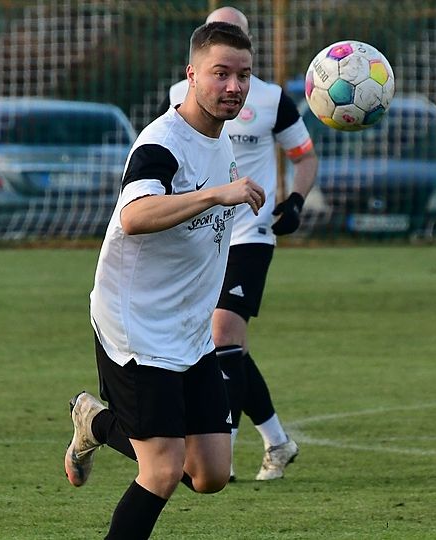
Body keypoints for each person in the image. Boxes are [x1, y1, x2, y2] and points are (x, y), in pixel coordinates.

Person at [65, 22, 265, 539]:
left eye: (243, 75)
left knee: (211, 473)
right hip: (137, 327)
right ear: (191, 75)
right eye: (221, 74)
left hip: (189, 332)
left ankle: (94, 421)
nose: (234, 87)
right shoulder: (161, 144)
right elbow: (134, 216)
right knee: (161, 472)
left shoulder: (218, 140)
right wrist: (215, 195)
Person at [162, 6, 318, 482]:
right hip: (203, 234)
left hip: (250, 231)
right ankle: (277, 440)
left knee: (224, 333)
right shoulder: (179, 95)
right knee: (226, 346)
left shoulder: (271, 99)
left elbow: (304, 157)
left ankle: (222, 449)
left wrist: (295, 201)